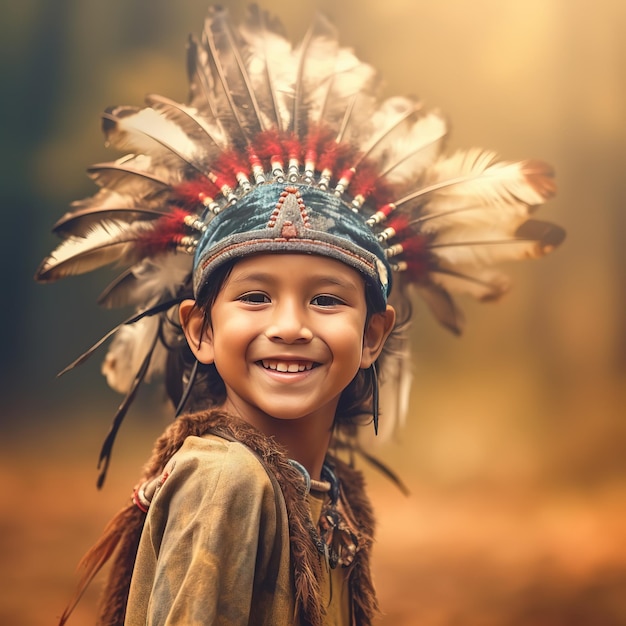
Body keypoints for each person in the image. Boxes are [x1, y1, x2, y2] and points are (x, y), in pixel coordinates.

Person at [36, 6, 564, 626]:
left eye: (327, 299)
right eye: (256, 296)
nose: (290, 324)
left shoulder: (325, 495)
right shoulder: (226, 482)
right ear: (200, 330)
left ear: (373, 335)